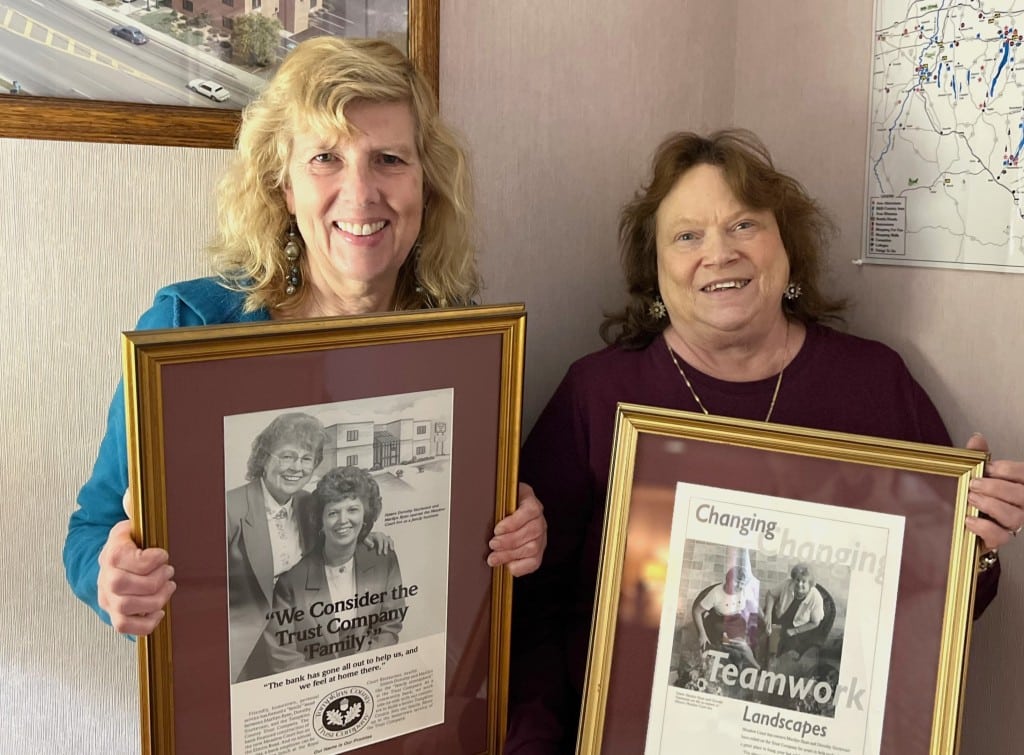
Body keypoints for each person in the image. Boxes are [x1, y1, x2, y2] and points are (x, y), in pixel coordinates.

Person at [505, 129, 1024, 754]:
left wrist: (981, 543)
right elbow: (528, 607)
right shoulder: (598, 392)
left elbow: (931, 613)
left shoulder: (873, 383)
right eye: (687, 235)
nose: (718, 253)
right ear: (657, 269)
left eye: (744, 225)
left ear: (787, 248)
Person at [63, 37, 546, 640]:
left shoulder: (467, 350)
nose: (361, 192)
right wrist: (110, 580)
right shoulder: (187, 332)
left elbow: (469, 543)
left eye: (390, 159)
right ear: (285, 187)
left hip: (405, 698)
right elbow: (91, 531)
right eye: (325, 158)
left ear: (426, 183)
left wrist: (517, 534)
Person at [259, 466, 404, 676]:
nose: (343, 520)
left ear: (366, 515)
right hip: (313, 686)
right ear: (321, 521)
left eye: (353, 509)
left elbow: (390, 624)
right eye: (333, 512)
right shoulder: (291, 582)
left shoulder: (383, 558)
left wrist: (368, 668)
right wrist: (329, 682)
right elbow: (282, 655)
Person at [692, 564, 761, 669]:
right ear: (727, 579)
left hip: (737, 621)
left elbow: (754, 604)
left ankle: (742, 663)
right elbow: (697, 612)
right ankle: (756, 667)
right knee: (740, 645)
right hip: (720, 622)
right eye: (736, 581)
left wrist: (766, 618)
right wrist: (702, 634)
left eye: (742, 583)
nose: (739, 586)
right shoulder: (716, 593)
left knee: (743, 644)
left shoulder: (744, 589)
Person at [764, 563, 824, 660]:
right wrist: (768, 614)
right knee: (765, 637)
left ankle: (776, 665)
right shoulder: (787, 584)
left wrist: (795, 631)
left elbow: (815, 623)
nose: (799, 584)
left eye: (804, 581)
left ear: (810, 584)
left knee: (786, 651)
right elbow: (770, 594)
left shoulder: (816, 598)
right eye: (797, 580)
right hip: (779, 617)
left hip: (797, 627)